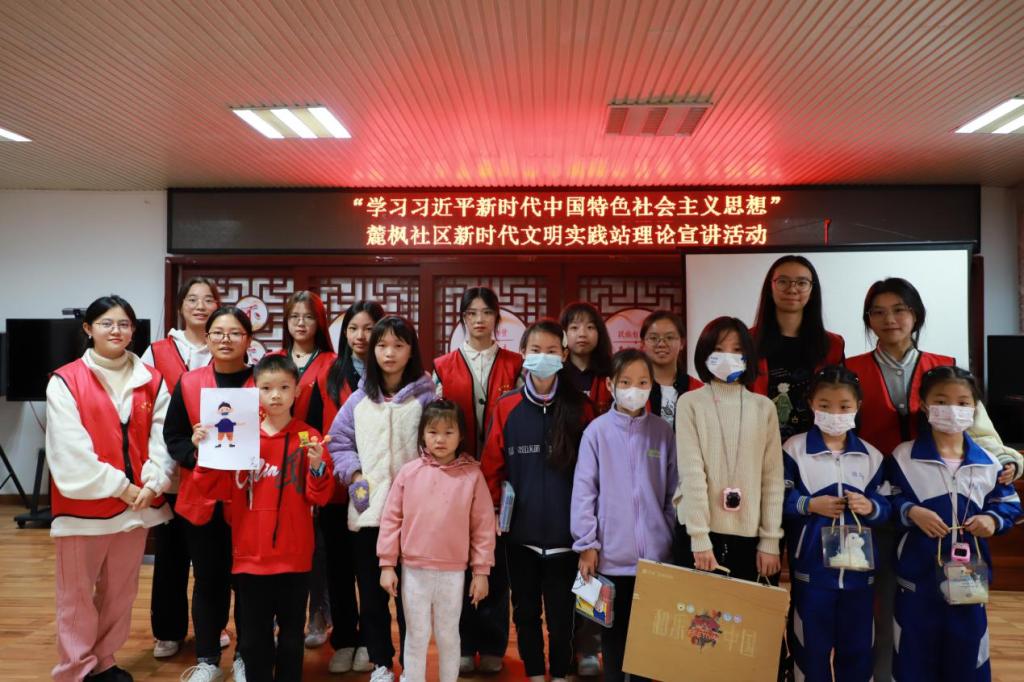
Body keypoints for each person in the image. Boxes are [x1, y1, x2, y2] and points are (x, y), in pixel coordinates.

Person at [843, 277, 1022, 682]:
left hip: (943, 504)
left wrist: (1010, 463)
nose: (890, 319)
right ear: (868, 320)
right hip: (876, 502)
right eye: (878, 312)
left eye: (900, 309)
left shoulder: (944, 367)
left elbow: (982, 434)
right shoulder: (851, 370)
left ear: (916, 315)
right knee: (883, 604)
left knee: (953, 612)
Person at [46, 295, 174, 682]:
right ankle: (75, 669)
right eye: (106, 323)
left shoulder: (152, 379)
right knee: (76, 595)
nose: (115, 331)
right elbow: (70, 450)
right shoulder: (66, 380)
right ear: (88, 329)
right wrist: (121, 487)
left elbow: (162, 438)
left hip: (137, 506)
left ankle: (103, 661)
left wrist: (153, 482)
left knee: (121, 591)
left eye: (124, 324)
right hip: (84, 509)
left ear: (133, 330)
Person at [193, 354, 335, 682]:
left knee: (292, 636)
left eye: (284, 387)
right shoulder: (240, 436)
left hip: (295, 557)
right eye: (267, 388)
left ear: (297, 391)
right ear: (254, 391)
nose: (275, 395)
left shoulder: (308, 437)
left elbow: (320, 496)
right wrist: (205, 451)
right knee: (254, 640)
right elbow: (210, 487)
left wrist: (317, 466)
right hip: (250, 556)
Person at [888, 366, 1021, 682]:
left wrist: (992, 519)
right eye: (941, 401)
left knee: (968, 658)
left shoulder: (989, 462)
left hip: (969, 582)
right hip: (916, 582)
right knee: (912, 660)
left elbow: (1009, 505)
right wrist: (911, 511)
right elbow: (884, 500)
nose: (952, 409)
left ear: (974, 408)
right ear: (924, 405)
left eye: (963, 403)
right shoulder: (903, 456)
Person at [481, 319, 594, 682]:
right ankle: (532, 673)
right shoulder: (506, 407)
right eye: (535, 350)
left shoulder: (581, 408)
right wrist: (495, 515)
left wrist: (590, 533)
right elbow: (491, 468)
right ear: (522, 354)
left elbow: (595, 475)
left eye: (551, 351)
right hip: (520, 537)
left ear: (564, 355)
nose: (543, 357)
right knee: (525, 614)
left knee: (562, 619)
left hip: (568, 538)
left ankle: (559, 674)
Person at [327, 315, 436, 682]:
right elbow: (338, 443)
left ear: (411, 351)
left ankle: (412, 666)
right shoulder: (358, 399)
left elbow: (441, 443)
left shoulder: (426, 396)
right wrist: (356, 478)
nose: (389, 353)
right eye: (382, 346)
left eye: (398, 346)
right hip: (369, 514)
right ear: (372, 351)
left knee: (411, 599)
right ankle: (381, 664)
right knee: (372, 597)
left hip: (413, 516)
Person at [571, 348, 677, 682]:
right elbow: (584, 491)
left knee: (648, 644)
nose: (635, 389)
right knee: (613, 641)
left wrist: (667, 535)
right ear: (610, 384)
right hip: (610, 558)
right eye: (626, 382)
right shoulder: (596, 432)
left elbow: (674, 493)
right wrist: (587, 543)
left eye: (643, 382)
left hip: (655, 561)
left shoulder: (662, 432)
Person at [432, 287, 521, 674]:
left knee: (496, 563)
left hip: (503, 478)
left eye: (486, 312)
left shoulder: (516, 364)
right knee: (458, 563)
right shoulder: (442, 366)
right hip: (456, 477)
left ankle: (493, 642)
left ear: (497, 318)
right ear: (463, 319)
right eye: (471, 313)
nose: (479, 319)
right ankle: (464, 643)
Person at [165, 306, 256, 682]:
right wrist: (194, 451)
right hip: (203, 495)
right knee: (207, 579)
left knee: (249, 581)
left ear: (248, 340)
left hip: (251, 498)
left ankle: (247, 656)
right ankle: (207, 659)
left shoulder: (263, 381)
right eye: (218, 332)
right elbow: (173, 436)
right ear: (207, 338)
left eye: (235, 333)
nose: (225, 339)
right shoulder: (190, 383)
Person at [376, 400, 496, 682]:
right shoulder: (409, 472)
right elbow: (391, 519)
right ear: (422, 434)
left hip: (453, 572)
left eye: (448, 432)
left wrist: (481, 571)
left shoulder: (472, 475)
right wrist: (387, 565)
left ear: (461, 435)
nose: (440, 439)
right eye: (433, 432)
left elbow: (483, 528)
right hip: (414, 570)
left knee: (448, 635)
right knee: (416, 635)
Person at [782, 366, 889, 682]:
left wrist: (870, 507)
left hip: (859, 577)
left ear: (858, 406)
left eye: (844, 406)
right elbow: (777, 499)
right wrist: (809, 504)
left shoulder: (871, 456)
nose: (835, 414)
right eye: (825, 406)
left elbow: (888, 507)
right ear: (811, 404)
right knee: (810, 652)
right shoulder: (794, 450)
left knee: (858, 652)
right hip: (811, 576)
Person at [141, 276, 221, 659]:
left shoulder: (227, 345)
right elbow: (144, 409)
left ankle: (213, 627)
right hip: (172, 469)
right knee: (171, 556)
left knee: (213, 559)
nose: (200, 306)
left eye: (208, 300)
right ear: (180, 306)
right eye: (193, 299)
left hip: (216, 472)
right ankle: (168, 630)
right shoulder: (157, 351)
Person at [675, 316, 784, 581]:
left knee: (745, 609)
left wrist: (770, 540)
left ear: (749, 356)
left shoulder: (764, 407)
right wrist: (699, 538)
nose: (728, 357)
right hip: (700, 533)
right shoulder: (690, 403)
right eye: (718, 349)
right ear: (705, 353)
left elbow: (772, 478)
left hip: (751, 537)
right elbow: (691, 473)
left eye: (737, 350)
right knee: (697, 609)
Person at [322, 300, 385, 673]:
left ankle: (372, 643)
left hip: (377, 490)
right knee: (339, 570)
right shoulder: (329, 374)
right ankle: (344, 639)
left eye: (369, 328)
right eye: (353, 328)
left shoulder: (391, 373)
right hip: (337, 487)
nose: (361, 336)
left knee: (373, 572)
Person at [275, 291, 338, 651]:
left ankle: (319, 613)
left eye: (309, 317)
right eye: (294, 316)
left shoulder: (331, 362)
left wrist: (321, 458)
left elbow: (334, 418)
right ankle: (281, 614)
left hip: (313, 454)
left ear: (320, 322)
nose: (301, 323)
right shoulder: (273, 360)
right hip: (275, 459)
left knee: (317, 545)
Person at [750, 255, 845, 441]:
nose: (792, 289)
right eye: (783, 281)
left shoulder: (833, 345)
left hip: (814, 447)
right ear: (770, 287)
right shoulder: (748, 341)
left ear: (812, 290)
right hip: (758, 443)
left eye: (802, 283)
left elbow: (839, 396)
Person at [639, 310, 702, 428]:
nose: (661, 344)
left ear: (682, 343)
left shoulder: (698, 389)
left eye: (669, 337)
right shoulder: (632, 388)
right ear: (642, 344)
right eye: (653, 338)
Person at [560, 301, 614, 415]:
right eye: (574, 327)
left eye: (590, 327)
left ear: (599, 333)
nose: (582, 334)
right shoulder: (556, 372)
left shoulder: (613, 371)